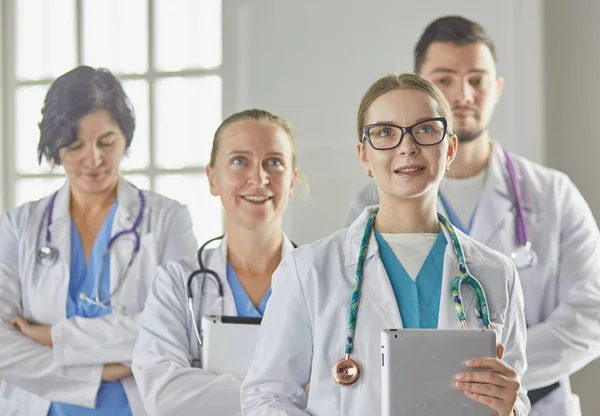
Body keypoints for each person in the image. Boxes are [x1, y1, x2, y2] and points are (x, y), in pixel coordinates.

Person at [344, 16, 600, 415]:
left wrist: (491, 376)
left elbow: (590, 314)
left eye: (477, 80)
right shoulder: (372, 200)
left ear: (496, 88)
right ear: (421, 88)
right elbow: (357, 309)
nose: (462, 94)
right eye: (444, 80)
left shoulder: (553, 194)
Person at [241, 73, 529, 416]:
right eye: (385, 133)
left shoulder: (495, 273)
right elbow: (267, 397)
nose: (407, 146)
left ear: (449, 148)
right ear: (364, 155)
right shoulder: (308, 271)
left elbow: (515, 396)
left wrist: (510, 408)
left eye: (425, 129)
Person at [0, 66, 197, 416]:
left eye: (107, 142)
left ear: (126, 137)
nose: (94, 159)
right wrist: (99, 372)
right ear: (54, 147)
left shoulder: (167, 219)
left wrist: (54, 336)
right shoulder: (18, 227)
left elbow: (176, 326)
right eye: (75, 146)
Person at [132, 109, 299, 416]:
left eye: (274, 162)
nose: (259, 178)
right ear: (212, 178)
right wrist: (289, 391)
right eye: (239, 161)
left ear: (292, 180)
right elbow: (163, 394)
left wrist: (206, 389)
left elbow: (339, 389)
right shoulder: (176, 281)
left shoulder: (319, 280)